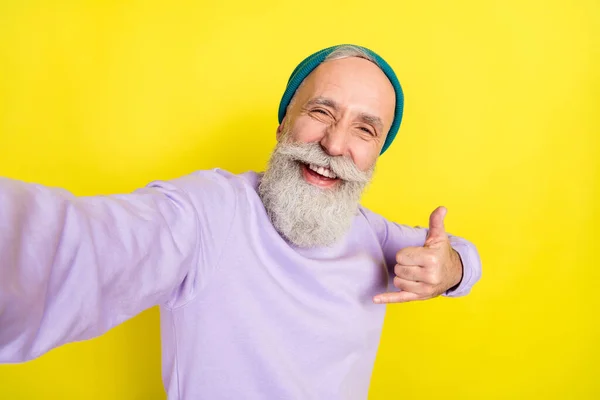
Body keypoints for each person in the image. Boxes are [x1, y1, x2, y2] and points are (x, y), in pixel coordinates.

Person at [0, 44, 482, 399]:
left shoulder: (374, 235)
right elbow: (74, 250)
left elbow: (464, 259)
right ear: (282, 124)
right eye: (320, 111)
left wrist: (451, 270)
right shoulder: (211, 212)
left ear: (374, 157)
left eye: (364, 128)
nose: (334, 146)